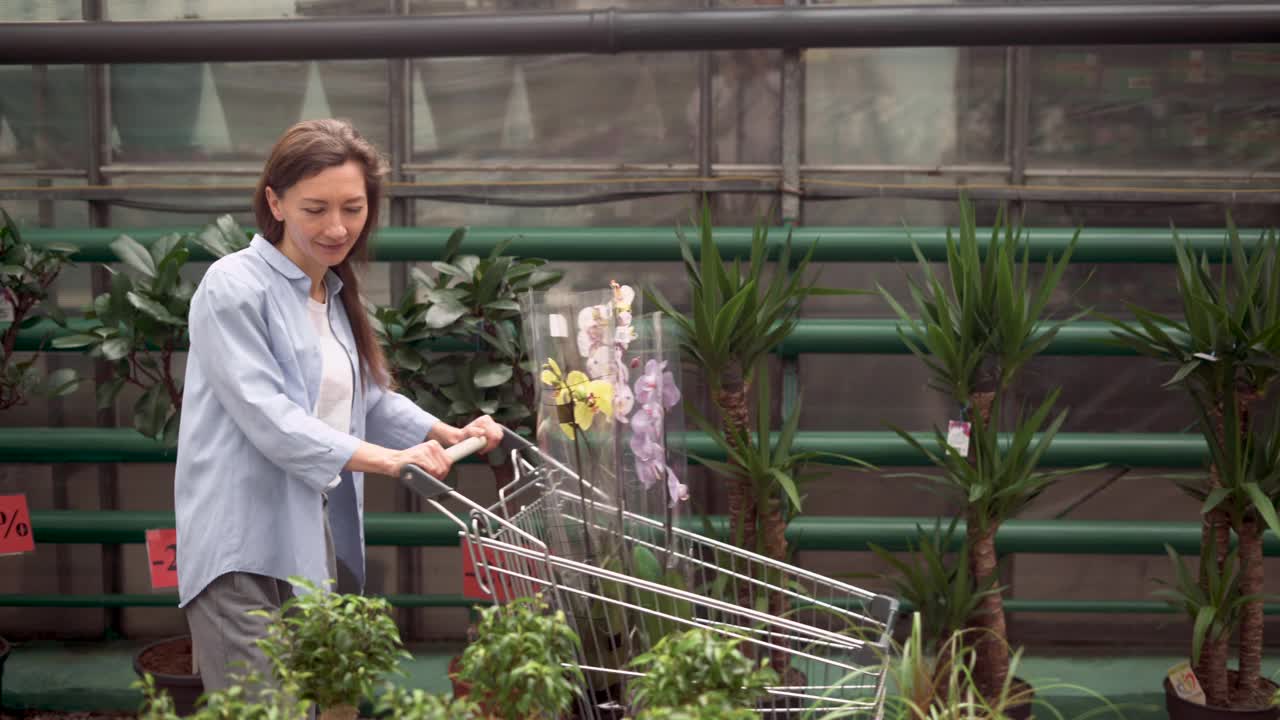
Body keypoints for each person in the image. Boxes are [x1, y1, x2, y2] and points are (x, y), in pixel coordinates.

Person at [173, 118, 504, 695]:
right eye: (315, 208)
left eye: (352, 208)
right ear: (274, 202)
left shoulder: (332, 292)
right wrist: (391, 461)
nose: (336, 226)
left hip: (308, 532)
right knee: (260, 707)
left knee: (307, 702)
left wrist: (443, 431)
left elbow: (363, 398)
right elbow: (270, 417)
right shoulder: (233, 286)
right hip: (240, 542)